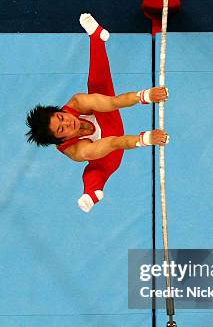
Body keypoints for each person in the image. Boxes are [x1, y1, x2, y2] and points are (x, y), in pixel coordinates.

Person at [25, 13, 169, 212]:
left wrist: (145, 96)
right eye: (61, 130)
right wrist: (146, 138)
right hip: (110, 152)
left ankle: (96, 38)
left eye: (61, 117)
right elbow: (115, 142)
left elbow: (114, 102)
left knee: (97, 86)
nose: (67, 123)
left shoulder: (77, 103)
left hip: (108, 116)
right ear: (61, 140)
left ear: (60, 110)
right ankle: (92, 192)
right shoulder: (77, 150)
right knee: (94, 171)